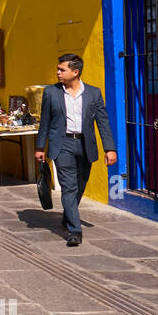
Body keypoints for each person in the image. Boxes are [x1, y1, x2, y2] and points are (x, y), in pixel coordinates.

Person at [35, 53, 117, 247]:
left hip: (85, 144)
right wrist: (40, 147)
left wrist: (109, 149)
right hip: (62, 144)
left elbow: (102, 122)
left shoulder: (94, 93)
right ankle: (74, 230)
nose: (58, 73)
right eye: (58, 69)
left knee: (80, 184)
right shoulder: (51, 92)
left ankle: (68, 213)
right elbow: (45, 122)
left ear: (75, 71)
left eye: (62, 70)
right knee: (69, 186)